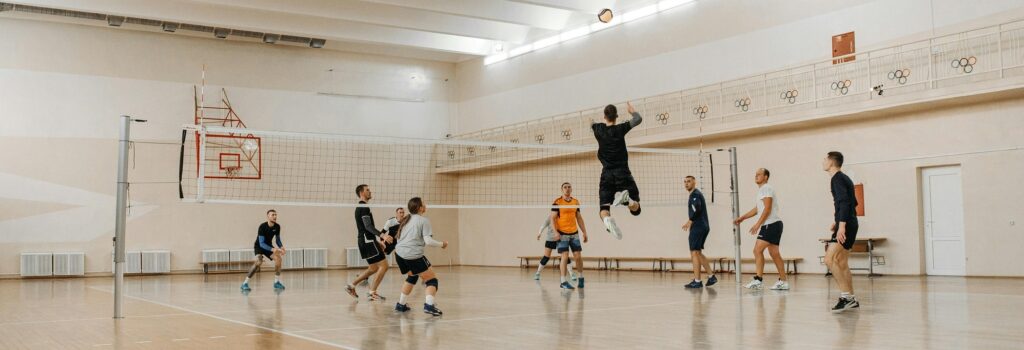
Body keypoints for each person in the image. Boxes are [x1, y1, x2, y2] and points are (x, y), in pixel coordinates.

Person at [591, 102, 643, 239]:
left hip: (606, 175)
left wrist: (594, 121)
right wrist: (632, 111)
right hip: (622, 173)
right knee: (636, 210)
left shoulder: (598, 129)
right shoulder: (620, 128)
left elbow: (591, 123)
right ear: (616, 116)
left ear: (604, 116)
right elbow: (638, 119)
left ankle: (607, 220)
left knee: (603, 209)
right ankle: (628, 201)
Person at [393, 197, 449, 316]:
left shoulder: (406, 219)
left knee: (412, 276)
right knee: (431, 280)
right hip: (412, 255)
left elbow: (398, 239)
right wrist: (442, 244)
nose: (425, 205)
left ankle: (401, 305)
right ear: (419, 208)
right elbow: (428, 241)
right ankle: (429, 306)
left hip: (399, 254)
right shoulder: (423, 221)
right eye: (424, 204)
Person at [734, 168, 789, 290]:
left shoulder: (766, 188)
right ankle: (783, 282)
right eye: (755, 174)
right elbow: (758, 209)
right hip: (774, 224)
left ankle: (758, 280)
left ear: (766, 177)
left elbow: (767, 208)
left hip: (770, 224)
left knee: (757, 250)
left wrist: (758, 224)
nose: (756, 176)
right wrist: (743, 217)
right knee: (774, 254)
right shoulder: (762, 190)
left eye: (759, 174)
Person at [822, 152, 860, 312]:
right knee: (842, 262)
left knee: (829, 259)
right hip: (850, 222)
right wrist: (838, 221)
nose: (823, 161)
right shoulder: (844, 178)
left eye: (825, 159)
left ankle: (846, 297)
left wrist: (841, 226)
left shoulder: (836, 179)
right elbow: (854, 203)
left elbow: (844, 202)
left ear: (831, 162)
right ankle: (851, 298)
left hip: (846, 224)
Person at [345, 184, 393, 301]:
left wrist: (377, 242)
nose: (370, 191)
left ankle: (351, 286)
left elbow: (365, 228)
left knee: (373, 268)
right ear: (361, 193)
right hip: (367, 241)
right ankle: (372, 292)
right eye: (367, 190)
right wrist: (383, 236)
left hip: (366, 241)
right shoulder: (364, 207)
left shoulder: (361, 207)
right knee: (384, 266)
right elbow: (368, 226)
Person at [550, 182, 588, 289]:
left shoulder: (575, 202)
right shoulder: (557, 202)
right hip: (562, 233)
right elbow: (552, 218)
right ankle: (563, 281)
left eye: (569, 187)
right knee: (565, 256)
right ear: (562, 190)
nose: (567, 189)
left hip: (574, 233)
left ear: (571, 189)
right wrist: (555, 232)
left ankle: (581, 278)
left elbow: (579, 218)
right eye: (565, 187)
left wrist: (584, 232)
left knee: (578, 256)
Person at [682, 176, 716, 289]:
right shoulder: (695, 194)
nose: (686, 183)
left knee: (694, 252)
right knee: (698, 253)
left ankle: (697, 281)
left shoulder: (695, 194)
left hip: (698, 226)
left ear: (694, 182)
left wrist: (690, 220)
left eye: (689, 181)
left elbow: (698, 208)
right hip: (702, 226)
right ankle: (711, 276)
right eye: (685, 182)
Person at [241, 209, 285, 291]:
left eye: (275, 215)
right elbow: (261, 243)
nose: (275, 216)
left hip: (268, 246)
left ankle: (276, 282)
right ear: (268, 216)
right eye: (273, 215)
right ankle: (245, 283)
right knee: (259, 262)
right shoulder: (262, 226)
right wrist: (272, 249)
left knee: (278, 259)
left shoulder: (277, 226)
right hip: (259, 246)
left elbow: (278, 240)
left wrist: (282, 247)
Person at [534, 215, 575, 281]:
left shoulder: (563, 216)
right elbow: (543, 225)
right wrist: (539, 233)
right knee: (546, 257)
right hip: (550, 239)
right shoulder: (550, 217)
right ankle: (537, 273)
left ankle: (572, 274)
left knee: (565, 256)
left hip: (561, 238)